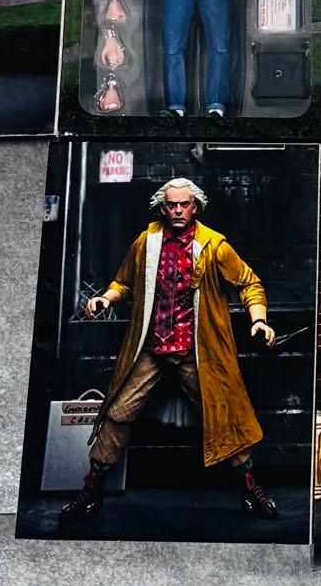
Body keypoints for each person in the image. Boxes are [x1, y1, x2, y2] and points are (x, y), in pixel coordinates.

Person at [59, 178, 279, 524]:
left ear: (195, 207)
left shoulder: (213, 245)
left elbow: (249, 283)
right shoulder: (147, 242)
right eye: (172, 205)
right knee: (117, 413)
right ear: (163, 208)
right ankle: (91, 492)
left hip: (196, 351)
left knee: (226, 416)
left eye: (184, 204)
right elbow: (124, 282)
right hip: (151, 348)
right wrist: (106, 298)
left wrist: (259, 320)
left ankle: (252, 490)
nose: (178, 210)